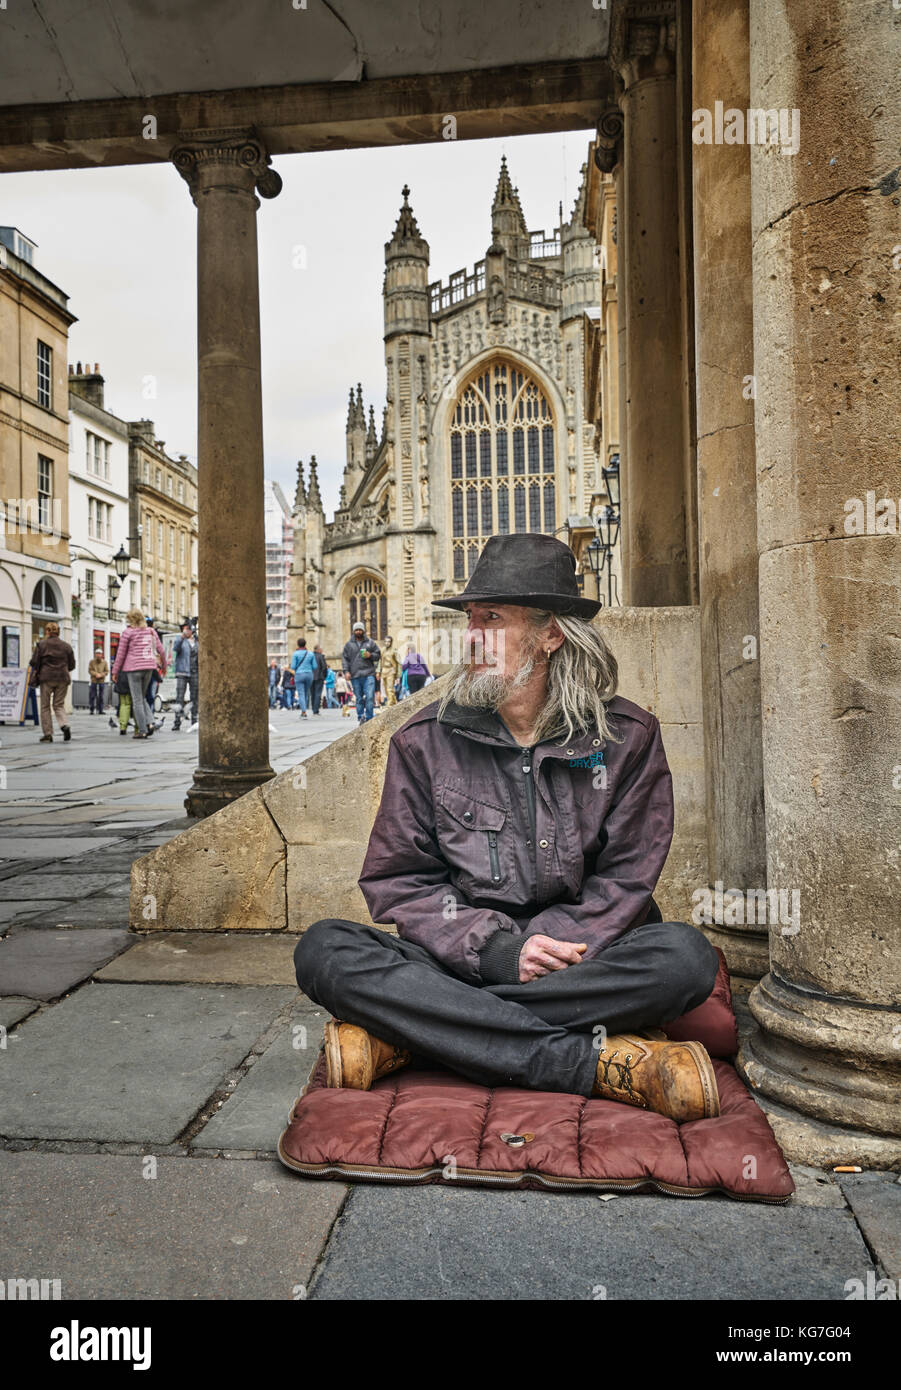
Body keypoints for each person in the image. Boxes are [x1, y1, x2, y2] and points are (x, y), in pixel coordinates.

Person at [295, 533, 722, 1124]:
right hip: (460, 956)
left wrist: (543, 949)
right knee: (326, 952)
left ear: (552, 634)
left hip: (580, 957)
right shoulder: (424, 742)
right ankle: (590, 1063)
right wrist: (498, 951)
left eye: (491, 618)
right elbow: (399, 881)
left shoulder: (628, 739)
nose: (469, 634)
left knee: (685, 959)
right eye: (470, 617)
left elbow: (626, 881)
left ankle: (415, 1034)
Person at [111, 608, 167, 739]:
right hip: (149, 667)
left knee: (137, 700)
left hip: (133, 669)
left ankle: (142, 730)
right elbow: (161, 651)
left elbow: (120, 654)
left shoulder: (128, 633)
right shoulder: (151, 632)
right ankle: (151, 722)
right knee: (141, 697)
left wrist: (115, 671)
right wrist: (164, 666)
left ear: (131, 619)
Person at [30, 621, 75, 742]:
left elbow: (34, 662)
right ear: (58, 632)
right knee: (58, 704)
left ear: (48, 631)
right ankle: (64, 725)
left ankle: (48, 734)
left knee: (45, 706)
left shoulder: (42, 645)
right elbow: (72, 665)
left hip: (47, 678)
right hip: (63, 678)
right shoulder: (66, 646)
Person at [342, 620, 381, 726]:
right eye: (356, 630)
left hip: (369, 674)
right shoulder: (348, 645)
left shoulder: (370, 642)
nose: (358, 631)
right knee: (359, 698)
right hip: (355, 675)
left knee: (369, 697)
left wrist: (370, 655)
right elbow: (345, 659)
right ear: (354, 631)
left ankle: (369, 718)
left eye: (360, 630)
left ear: (363, 631)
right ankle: (360, 717)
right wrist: (346, 671)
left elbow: (378, 654)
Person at [172, 621, 198, 731]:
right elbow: (175, 648)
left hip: (195, 672)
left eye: (189, 629)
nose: (187, 631)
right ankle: (177, 722)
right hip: (182, 672)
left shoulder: (197, 641)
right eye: (185, 629)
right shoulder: (180, 640)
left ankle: (194, 720)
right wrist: (182, 637)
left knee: (195, 697)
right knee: (180, 698)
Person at [291, 638, 318, 718]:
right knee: (306, 693)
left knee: (301, 693)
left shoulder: (295, 654)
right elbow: (315, 666)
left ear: (298, 644)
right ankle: (304, 709)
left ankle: (303, 711)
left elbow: (293, 666)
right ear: (305, 644)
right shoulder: (310, 654)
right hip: (309, 674)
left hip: (299, 674)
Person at [380, 635, 400, 708]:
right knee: (385, 689)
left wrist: (398, 674)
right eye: (385, 641)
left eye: (388, 641)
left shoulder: (394, 651)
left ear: (391, 642)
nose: (387, 643)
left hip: (391, 670)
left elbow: (398, 662)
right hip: (384, 671)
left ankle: (390, 704)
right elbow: (380, 661)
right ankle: (394, 702)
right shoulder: (382, 650)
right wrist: (378, 672)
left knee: (390, 688)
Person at [88, 647, 109, 714]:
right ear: (95, 654)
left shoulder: (104, 662)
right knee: (92, 695)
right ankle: (91, 709)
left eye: (99, 654)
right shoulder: (91, 662)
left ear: (101, 655)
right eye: (97, 653)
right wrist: (95, 674)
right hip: (94, 680)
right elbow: (90, 670)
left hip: (101, 681)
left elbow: (107, 671)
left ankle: (100, 710)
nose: (98, 655)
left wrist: (101, 675)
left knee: (101, 696)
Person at [310, 645, 329, 715]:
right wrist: (324, 676)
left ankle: (313, 708)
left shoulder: (310, 656)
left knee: (312, 694)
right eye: (321, 649)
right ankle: (316, 710)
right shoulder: (321, 656)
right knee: (318, 693)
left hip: (311, 677)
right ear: (318, 650)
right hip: (319, 677)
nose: (322, 650)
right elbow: (324, 667)